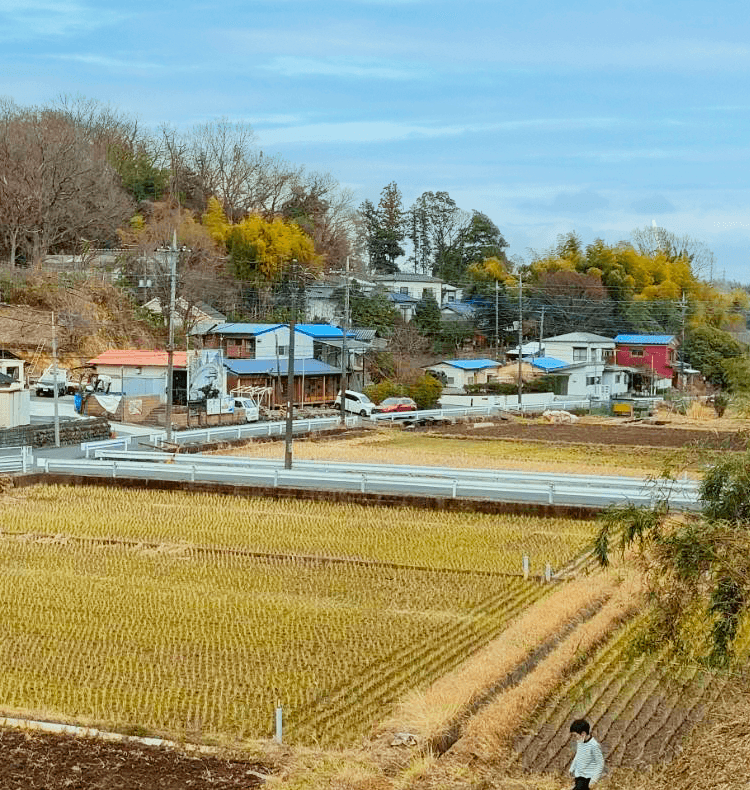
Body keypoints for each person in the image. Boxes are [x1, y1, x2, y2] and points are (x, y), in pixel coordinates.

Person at [568, 718, 604, 789]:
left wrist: (594, 780)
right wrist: (572, 768)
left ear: (583, 734)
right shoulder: (580, 742)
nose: (574, 738)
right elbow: (578, 755)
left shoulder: (594, 745)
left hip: (587, 778)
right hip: (579, 776)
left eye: (575, 735)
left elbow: (600, 763)